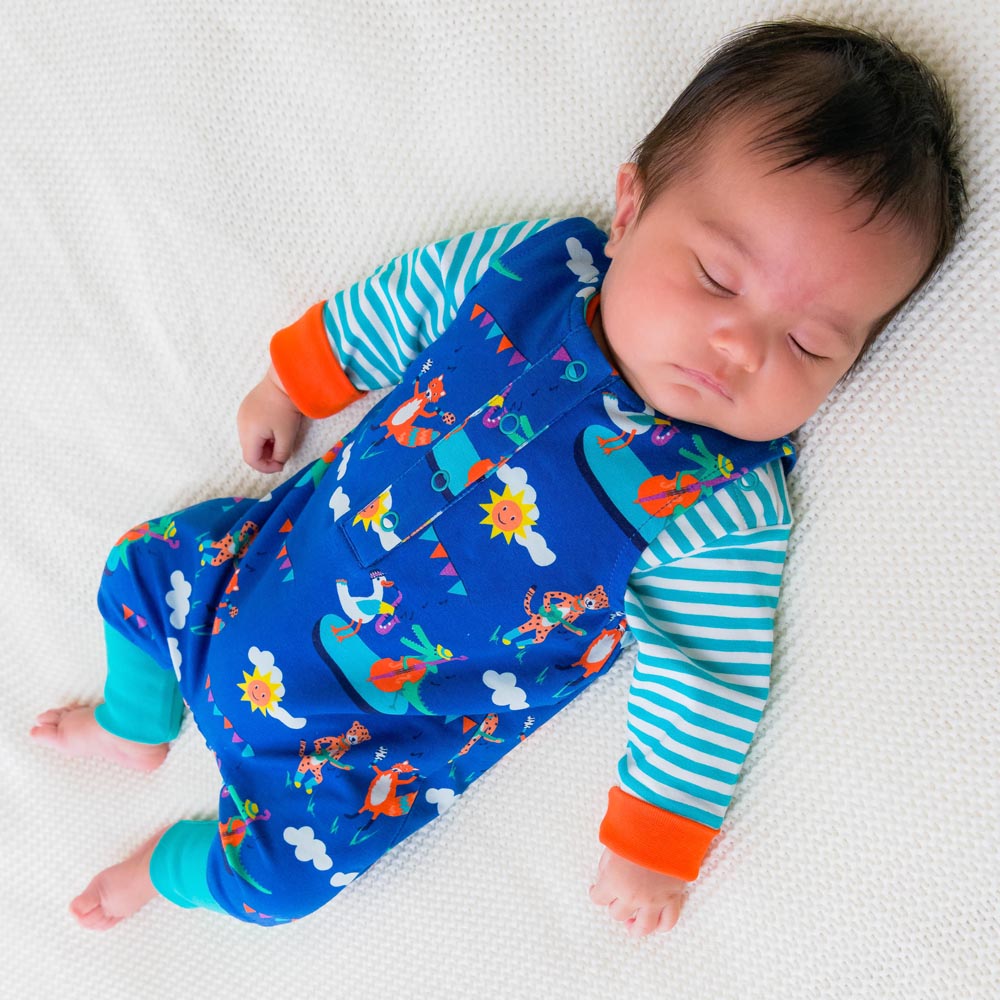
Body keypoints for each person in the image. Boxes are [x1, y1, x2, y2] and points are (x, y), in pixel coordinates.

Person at [31, 19, 964, 936]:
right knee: (142, 565)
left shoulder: (722, 504)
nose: (740, 345)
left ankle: (164, 871)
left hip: (355, 744)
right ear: (633, 208)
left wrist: (656, 841)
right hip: (252, 575)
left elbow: (706, 675)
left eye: (808, 343)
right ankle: (133, 722)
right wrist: (296, 382)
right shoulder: (531, 272)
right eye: (718, 277)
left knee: (281, 887)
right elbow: (395, 306)